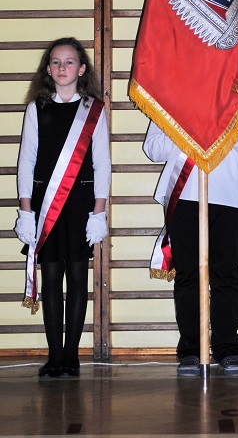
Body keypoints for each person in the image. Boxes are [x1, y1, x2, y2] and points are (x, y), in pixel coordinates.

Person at [143, 97, 238, 377]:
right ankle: (190, 350)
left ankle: (227, 349)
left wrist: (221, 123)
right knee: (188, 275)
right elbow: (153, 148)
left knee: (227, 275)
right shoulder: (170, 93)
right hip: (185, 194)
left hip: (229, 195)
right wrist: (188, 127)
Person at [14, 37, 111, 378]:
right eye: (55, 62)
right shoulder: (36, 108)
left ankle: (72, 356)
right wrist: (26, 211)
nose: (62, 67)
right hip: (46, 203)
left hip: (80, 204)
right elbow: (26, 161)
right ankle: (54, 356)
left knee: (78, 277)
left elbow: (102, 164)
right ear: (48, 68)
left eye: (69, 62)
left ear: (82, 69)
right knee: (52, 277)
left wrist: (99, 211)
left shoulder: (94, 110)